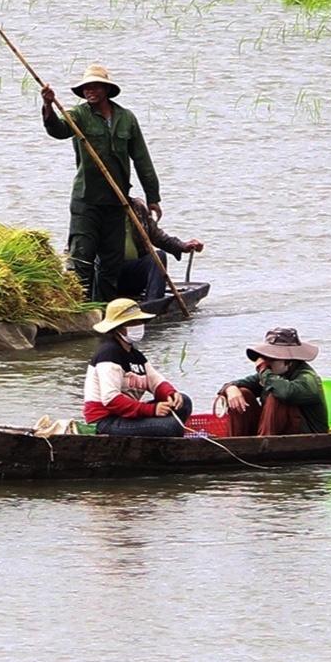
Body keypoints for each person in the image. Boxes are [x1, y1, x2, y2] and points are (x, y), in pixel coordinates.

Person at [41, 64, 162, 303]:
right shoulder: (78, 115)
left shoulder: (126, 119)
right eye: (86, 87)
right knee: (81, 257)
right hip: (86, 200)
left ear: (106, 90)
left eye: (96, 86)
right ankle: (81, 309)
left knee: (111, 262)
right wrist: (48, 105)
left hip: (117, 201)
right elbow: (58, 130)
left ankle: (106, 310)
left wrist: (153, 197)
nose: (90, 91)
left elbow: (142, 159)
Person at [84, 298, 192, 437]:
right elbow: (110, 399)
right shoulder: (109, 354)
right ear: (119, 328)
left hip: (126, 416)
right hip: (106, 421)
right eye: (132, 322)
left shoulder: (136, 355)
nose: (139, 325)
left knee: (184, 402)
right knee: (170, 427)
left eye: (139, 321)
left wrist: (170, 394)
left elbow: (155, 381)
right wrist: (152, 410)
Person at [220, 327, 328, 436]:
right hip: (272, 431)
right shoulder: (271, 375)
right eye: (264, 358)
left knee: (278, 396)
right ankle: (238, 442)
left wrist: (263, 369)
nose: (267, 364)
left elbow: (286, 392)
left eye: (271, 359)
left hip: (308, 437)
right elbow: (238, 383)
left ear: (289, 361)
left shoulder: (307, 378)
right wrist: (230, 388)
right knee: (242, 393)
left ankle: (265, 443)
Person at [115, 195, 204, 305]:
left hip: (134, 273)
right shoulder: (98, 209)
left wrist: (182, 246)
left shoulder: (136, 207)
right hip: (109, 275)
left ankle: (152, 304)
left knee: (159, 256)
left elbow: (157, 236)